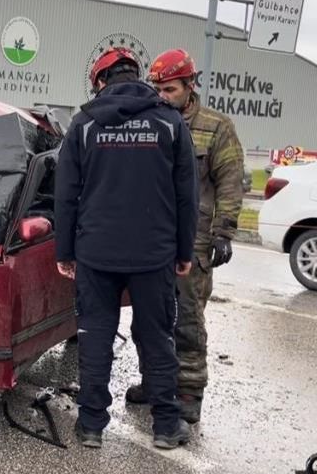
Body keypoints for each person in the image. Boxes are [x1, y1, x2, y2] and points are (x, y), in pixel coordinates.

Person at [54, 47, 198, 450]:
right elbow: (187, 196)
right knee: (156, 337)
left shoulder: (84, 123)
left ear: (101, 81)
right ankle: (166, 425)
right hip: (154, 253)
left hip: (96, 253)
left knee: (95, 335)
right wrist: (184, 251)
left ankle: (90, 425)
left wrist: (64, 252)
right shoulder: (170, 122)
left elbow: (65, 195)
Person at [126, 49, 245, 424]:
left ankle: (189, 390)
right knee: (147, 317)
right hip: (150, 237)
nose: (163, 96)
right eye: (158, 89)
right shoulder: (148, 121)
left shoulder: (216, 127)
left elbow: (231, 181)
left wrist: (224, 231)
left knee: (187, 319)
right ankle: (155, 380)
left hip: (193, 239)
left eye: (171, 89)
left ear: (190, 85)